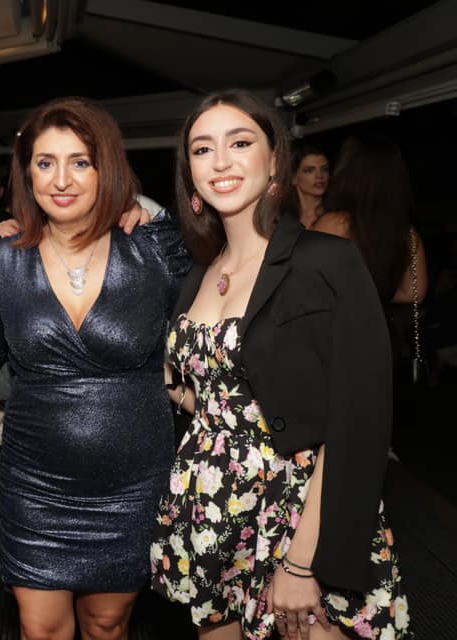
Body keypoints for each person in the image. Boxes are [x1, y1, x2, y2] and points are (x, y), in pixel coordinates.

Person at [149, 89, 409, 640]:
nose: (220, 161)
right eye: (202, 149)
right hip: (210, 508)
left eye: (240, 143)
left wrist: (301, 563)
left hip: (296, 512)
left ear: (273, 162)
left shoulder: (325, 261)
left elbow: (358, 421)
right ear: (189, 173)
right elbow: (215, 395)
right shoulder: (199, 272)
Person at [0, 97, 191, 640]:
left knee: (108, 624)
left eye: (80, 162)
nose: (61, 180)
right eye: (45, 163)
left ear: (105, 168)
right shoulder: (2, 258)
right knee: (39, 628)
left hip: (132, 483)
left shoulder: (155, 251)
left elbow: (214, 324)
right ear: (27, 174)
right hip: (36, 484)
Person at [312, 135, 427, 304]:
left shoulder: (334, 224)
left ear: (348, 174)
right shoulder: (407, 233)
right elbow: (414, 293)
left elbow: (307, 283)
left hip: (340, 319)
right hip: (380, 319)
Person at [287, 142, 329, 228]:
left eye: (324, 169)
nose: (319, 176)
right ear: (293, 178)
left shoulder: (337, 215)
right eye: (309, 170)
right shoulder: (282, 216)